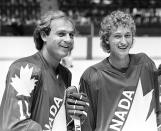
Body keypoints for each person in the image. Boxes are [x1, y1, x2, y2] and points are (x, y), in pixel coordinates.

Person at [0, 10, 88, 131]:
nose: (68, 39)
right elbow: (14, 126)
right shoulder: (24, 69)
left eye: (71, 35)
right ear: (44, 35)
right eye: (61, 34)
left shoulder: (65, 74)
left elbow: (54, 122)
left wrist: (71, 119)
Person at [79, 10, 161, 131]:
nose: (123, 41)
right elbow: (86, 125)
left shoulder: (145, 64)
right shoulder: (92, 76)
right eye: (117, 36)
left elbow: (156, 111)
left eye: (127, 35)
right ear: (107, 39)